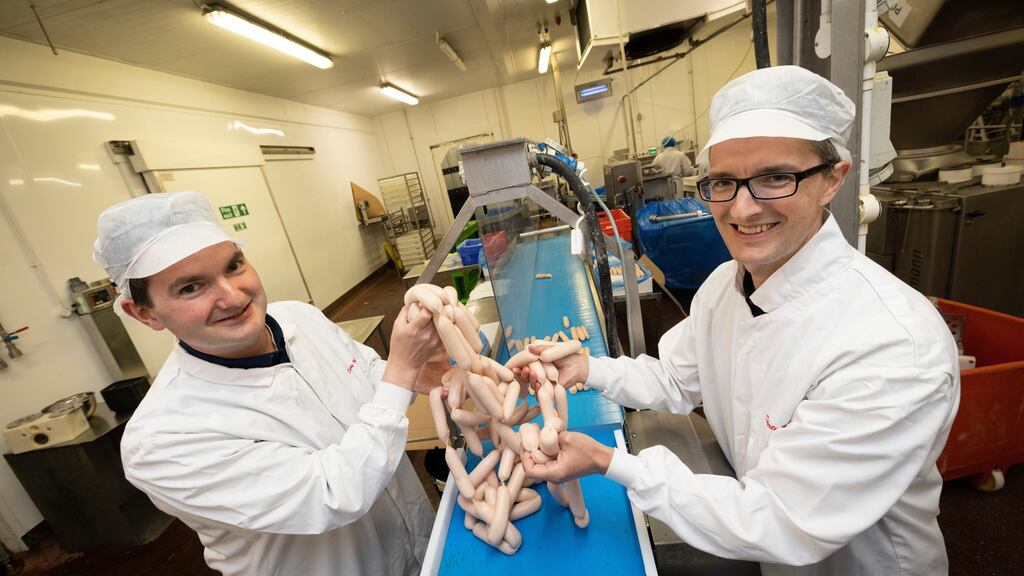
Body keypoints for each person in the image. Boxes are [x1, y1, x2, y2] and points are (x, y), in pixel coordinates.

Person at [521, 66, 960, 575]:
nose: (743, 208)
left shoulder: (891, 345)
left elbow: (781, 518)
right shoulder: (724, 287)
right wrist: (587, 368)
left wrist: (610, 463)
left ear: (832, 179)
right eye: (723, 183)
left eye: (776, 177)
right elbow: (675, 377)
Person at [92, 191, 443, 576]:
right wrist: (403, 367)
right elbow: (333, 493)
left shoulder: (299, 318)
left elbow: (369, 374)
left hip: (416, 547)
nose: (232, 295)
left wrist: (431, 370)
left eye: (234, 265)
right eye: (191, 287)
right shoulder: (161, 441)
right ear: (143, 313)